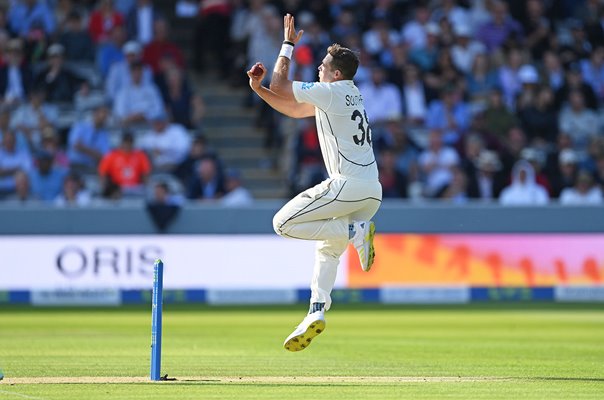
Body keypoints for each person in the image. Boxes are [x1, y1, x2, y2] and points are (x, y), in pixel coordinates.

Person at [246, 14, 382, 352]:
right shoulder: (348, 95)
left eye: (323, 66)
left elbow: (282, 87)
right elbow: (292, 109)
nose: (318, 69)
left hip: (347, 184)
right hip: (371, 192)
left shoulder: (332, 93)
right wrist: (257, 90)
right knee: (327, 248)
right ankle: (315, 312)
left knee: (283, 223)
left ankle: (355, 232)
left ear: (336, 74)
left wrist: (288, 45)